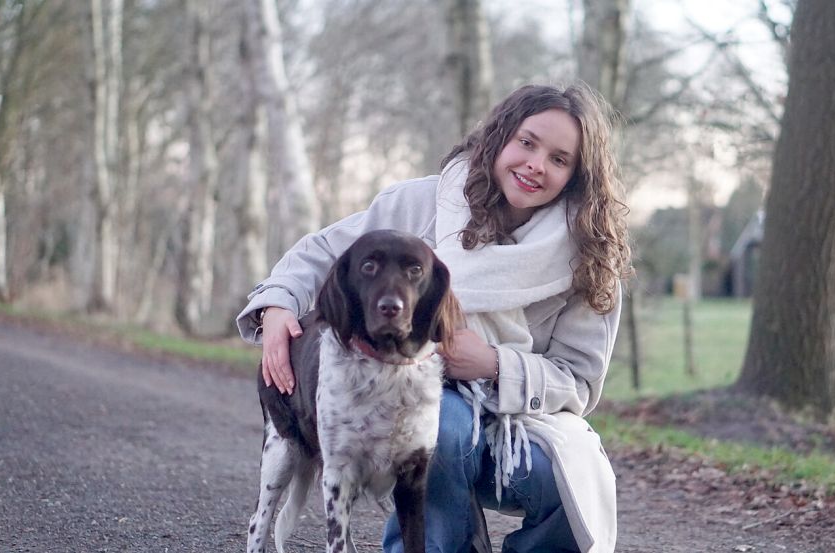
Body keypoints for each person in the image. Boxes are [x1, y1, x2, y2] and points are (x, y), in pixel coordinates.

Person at [236, 83, 632, 553]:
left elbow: (581, 382)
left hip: (522, 428)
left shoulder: (590, 254)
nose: (535, 165)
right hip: (419, 407)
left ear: (577, 176)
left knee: (576, 488)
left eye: (559, 159)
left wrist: (495, 363)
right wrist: (279, 306)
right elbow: (322, 253)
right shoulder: (425, 203)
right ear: (500, 137)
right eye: (526, 142)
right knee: (441, 424)